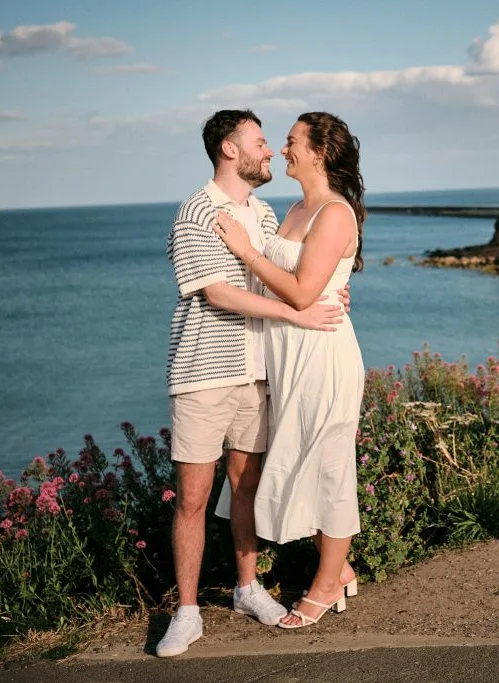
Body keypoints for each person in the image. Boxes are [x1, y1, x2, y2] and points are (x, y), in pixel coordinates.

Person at [158, 109, 349, 657]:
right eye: (261, 143)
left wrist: (329, 291)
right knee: (193, 498)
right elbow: (217, 293)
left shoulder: (264, 214)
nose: (270, 152)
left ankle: (247, 588)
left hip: (259, 370)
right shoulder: (196, 212)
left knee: (246, 486)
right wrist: (298, 315)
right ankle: (188, 613)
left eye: (274, 143)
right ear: (228, 149)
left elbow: (293, 274)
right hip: (203, 373)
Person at [212, 111, 365, 629]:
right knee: (304, 460)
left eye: (292, 141)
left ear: (320, 152)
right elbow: (297, 281)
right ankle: (338, 567)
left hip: (322, 355)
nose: (282, 150)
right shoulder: (296, 208)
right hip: (288, 356)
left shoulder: (335, 214)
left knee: (330, 467)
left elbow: (300, 291)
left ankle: (326, 584)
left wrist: (245, 249)